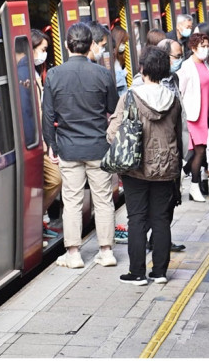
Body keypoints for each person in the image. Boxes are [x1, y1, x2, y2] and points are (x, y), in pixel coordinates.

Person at [42, 23, 118, 269]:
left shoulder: (54, 74)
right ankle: (106, 252)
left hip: (69, 147)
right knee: (103, 199)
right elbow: (113, 109)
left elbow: (47, 115)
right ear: (90, 46)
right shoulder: (103, 73)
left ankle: (73, 254)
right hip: (98, 147)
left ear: (66, 45)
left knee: (72, 200)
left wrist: (52, 145)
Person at [108, 46, 183, 285]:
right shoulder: (173, 99)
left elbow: (113, 133)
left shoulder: (130, 96)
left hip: (136, 167)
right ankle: (160, 272)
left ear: (141, 69)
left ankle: (137, 272)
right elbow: (180, 135)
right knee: (161, 219)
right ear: (165, 70)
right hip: (166, 166)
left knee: (137, 218)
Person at [30, 29, 63, 238]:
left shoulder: (33, 73)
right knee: (53, 179)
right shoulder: (25, 74)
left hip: (40, 140)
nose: (45, 54)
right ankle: (34, 225)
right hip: (33, 141)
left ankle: (36, 221)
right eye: (42, 50)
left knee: (54, 180)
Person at [177, 33, 209, 202]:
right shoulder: (186, 67)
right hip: (192, 116)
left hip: (205, 114)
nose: (206, 49)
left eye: (207, 46)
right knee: (199, 151)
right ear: (193, 48)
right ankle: (194, 186)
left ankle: (183, 173)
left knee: (199, 152)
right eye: (202, 46)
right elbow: (180, 93)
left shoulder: (206, 65)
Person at [111, 25, 130, 96]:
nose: (124, 46)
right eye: (123, 43)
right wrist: (123, 73)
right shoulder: (110, 58)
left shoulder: (118, 57)